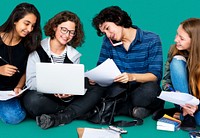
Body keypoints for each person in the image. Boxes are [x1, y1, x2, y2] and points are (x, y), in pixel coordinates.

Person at [22, 11, 105, 129]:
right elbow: (30, 82)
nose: (67, 35)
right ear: (55, 27)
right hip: (45, 98)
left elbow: (72, 82)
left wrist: (71, 92)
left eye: (71, 32)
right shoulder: (37, 49)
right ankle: (79, 112)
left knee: (97, 88)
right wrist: (53, 87)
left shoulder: (74, 55)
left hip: (66, 99)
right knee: (32, 100)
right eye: (64, 29)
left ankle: (63, 116)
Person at [92, 6, 164, 119]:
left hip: (142, 88)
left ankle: (115, 107)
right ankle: (133, 110)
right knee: (95, 90)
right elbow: (101, 66)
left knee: (150, 90)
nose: (107, 34)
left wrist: (131, 77)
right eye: (104, 32)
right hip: (119, 89)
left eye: (107, 28)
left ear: (118, 19)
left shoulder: (152, 39)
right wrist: (96, 77)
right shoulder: (108, 41)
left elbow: (155, 76)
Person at [152, 18, 200, 131]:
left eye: (181, 38)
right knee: (177, 61)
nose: (175, 39)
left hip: (197, 104)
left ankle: (183, 115)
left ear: (195, 41)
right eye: (177, 34)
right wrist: (173, 93)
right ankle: (186, 113)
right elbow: (166, 82)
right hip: (183, 99)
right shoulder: (174, 51)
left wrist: (196, 106)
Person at [0, 3, 42, 124]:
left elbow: (26, 71)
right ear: (15, 20)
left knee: (15, 117)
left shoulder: (29, 44)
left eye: (33, 26)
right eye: (26, 23)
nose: (29, 29)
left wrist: (19, 86)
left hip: (8, 92)